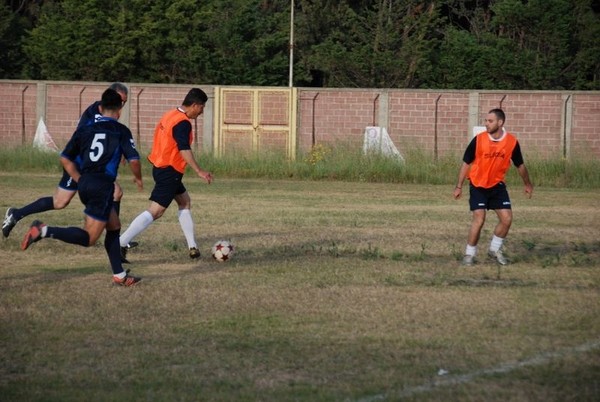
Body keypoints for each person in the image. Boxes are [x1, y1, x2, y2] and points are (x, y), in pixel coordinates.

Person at [21, 88, 144, 286]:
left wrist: (80, 179)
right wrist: (138, 178)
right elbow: (134, 160)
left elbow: (65, 158)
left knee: (114, 226)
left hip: (85, 182)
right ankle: (43, 230)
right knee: (89, 238)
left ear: (100, 108)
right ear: (119, 110)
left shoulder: (85, 130)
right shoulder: (120, 130)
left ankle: (120, 276)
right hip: (102, 187)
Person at [2, 83, 135, 248]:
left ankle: (16, 213)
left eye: (124, 102)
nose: (122, 105)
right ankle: (114, 240)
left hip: (88, 166)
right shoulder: (96, 113)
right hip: (80, 164)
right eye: (120, 100)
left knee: (62, 201)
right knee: (110, 193)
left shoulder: (106, 112)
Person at [119, 88, 213, 262]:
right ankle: (121, 242)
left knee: (184, 202)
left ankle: (193, 247)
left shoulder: (170, 115)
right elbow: (183, 148)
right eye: (202, 107)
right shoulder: (183, 123)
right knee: (156, 211)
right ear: (194, 105)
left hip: (161, 167)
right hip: (169, 171)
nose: (201, 112)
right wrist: (199, 171)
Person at [454, 108, 533, 266]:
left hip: (497, 186)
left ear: (500, 122)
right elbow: (466, 163)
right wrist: (459, 186)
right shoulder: (479, 140)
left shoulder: (511, 142)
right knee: (479, 219)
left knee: (507, 219)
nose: (486, 124)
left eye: (490, 121)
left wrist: (527, 184)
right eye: (486, 120)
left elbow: (520, 165)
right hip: (477, 184)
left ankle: (494, 250)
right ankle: (469, 255)